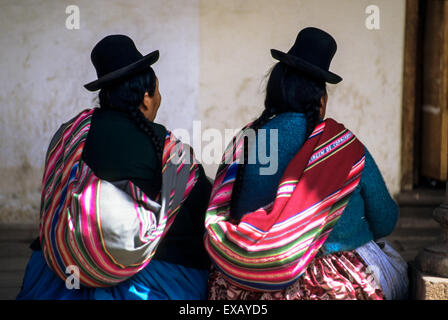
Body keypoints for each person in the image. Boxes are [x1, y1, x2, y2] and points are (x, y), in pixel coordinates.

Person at [204, 27, 409, 300]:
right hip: (336, 283)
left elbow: (226, 208)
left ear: (275, 91)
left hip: (248, 283)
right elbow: (385, 220)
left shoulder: (246, 139)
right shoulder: (342, 145)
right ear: (321, 102)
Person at [17, 35, 212, 300]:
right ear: (146, 98)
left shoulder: (70, 135)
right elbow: (207, 207)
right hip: (149, 279)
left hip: (57, 273)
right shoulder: (168, 149)